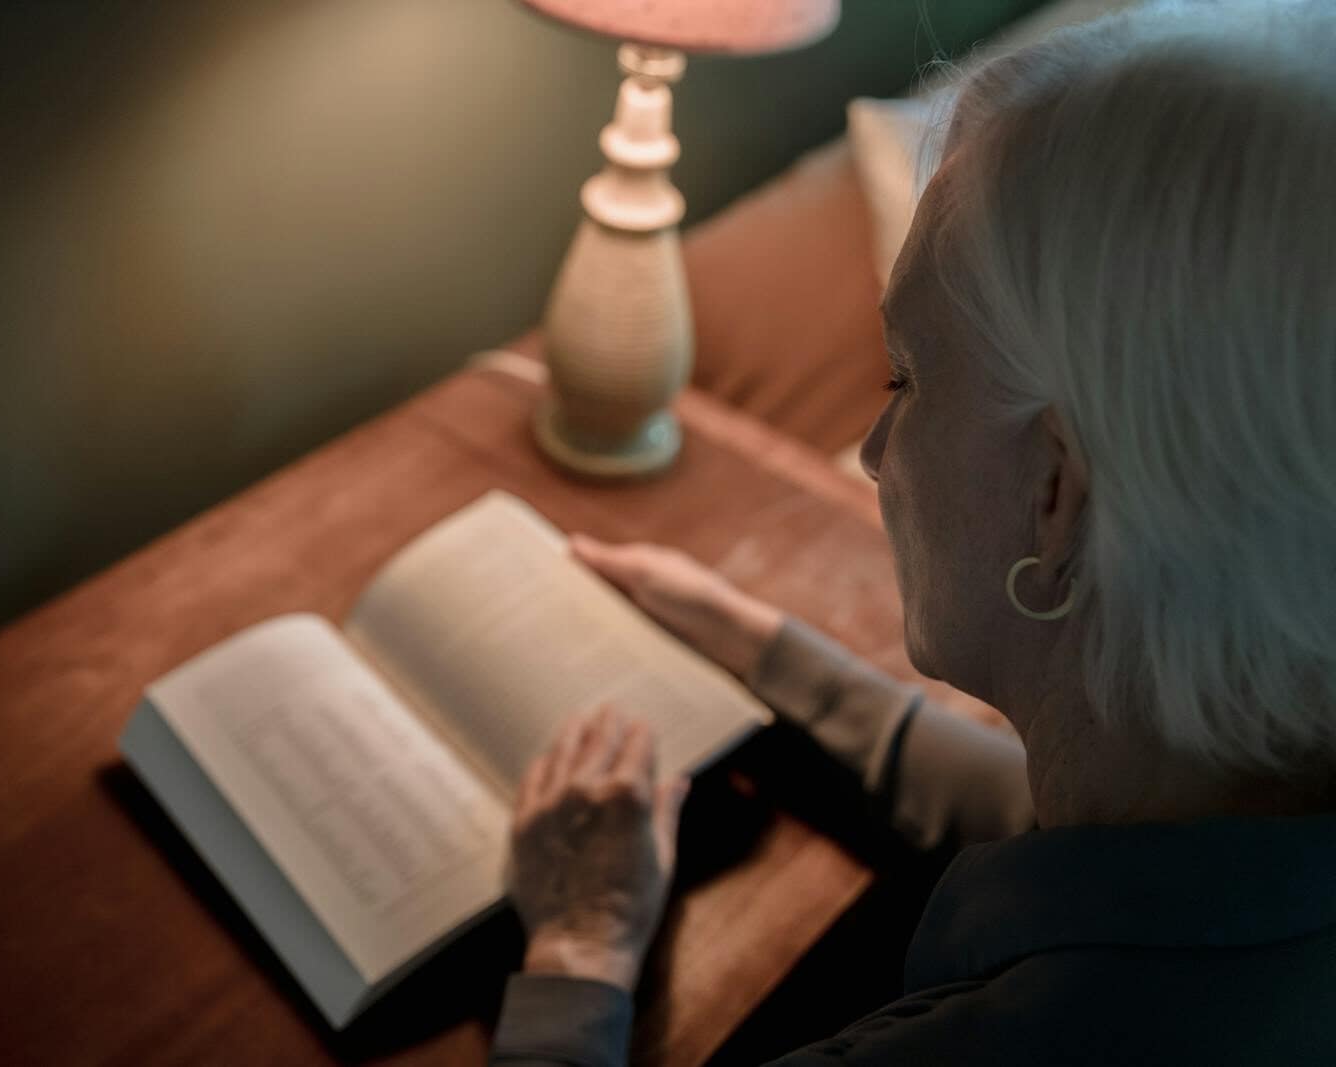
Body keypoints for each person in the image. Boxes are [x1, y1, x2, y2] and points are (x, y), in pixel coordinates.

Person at [489, 3, 1336, 1063]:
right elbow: (1059, 825)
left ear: (1054, 493)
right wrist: (767, 654)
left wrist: (575, 953)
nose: (875, 449)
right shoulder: (1247, 793)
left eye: (907, 374)